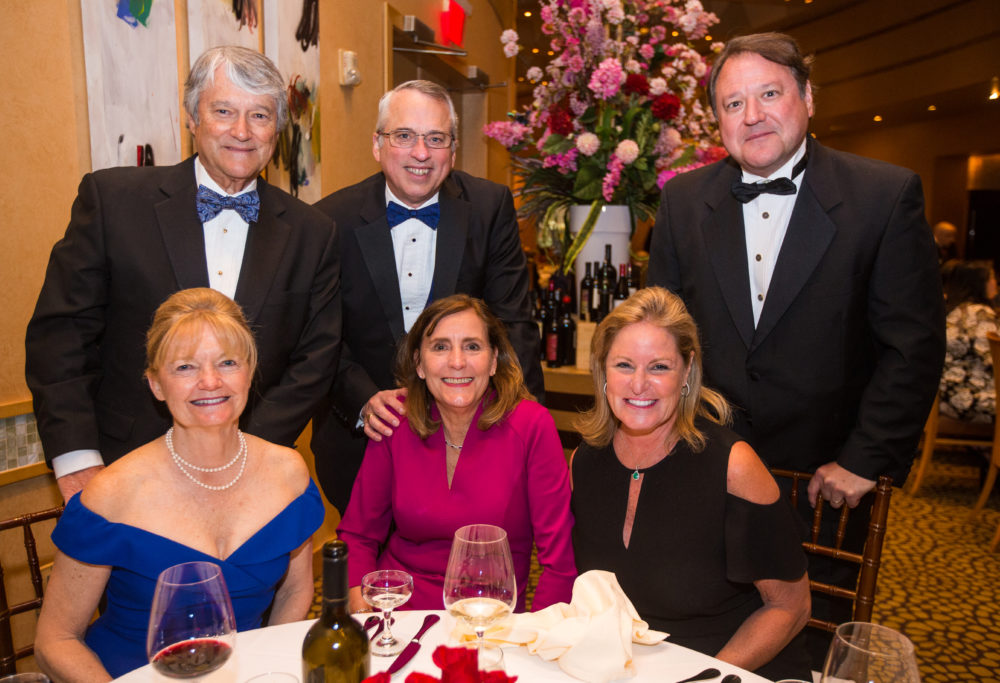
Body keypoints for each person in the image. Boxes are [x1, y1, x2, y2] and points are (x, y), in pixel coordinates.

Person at [647, 32, 945, 660]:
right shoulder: (682, 201)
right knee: (700, 638)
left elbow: (913, 346)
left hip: (825, 485)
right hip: (707, 470)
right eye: (733, 103)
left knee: (809, 649)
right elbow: (663, 337)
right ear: (718, 121)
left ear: (808, 97)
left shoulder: (883, 196)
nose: (752, 115)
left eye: (769, 94)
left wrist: (865, 458)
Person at [25, 45, 340, 502]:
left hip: (254, 478)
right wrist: (77, 460)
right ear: (192, 118)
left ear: (277, 128)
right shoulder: (113, 202)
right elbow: (61, 337)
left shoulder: (314, 232)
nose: (241, 131)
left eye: (259, 115)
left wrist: (245, 453)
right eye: (224, 111)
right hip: (122, 472)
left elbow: (315, 360)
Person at [35, 288, 323, 681]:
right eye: (185, 367)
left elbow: (294, 591)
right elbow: (56, 639)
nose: (210, 381)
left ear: (249, 372)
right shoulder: (113, 492)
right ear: (156, 384)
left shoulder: (289, 472)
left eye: (227, 362)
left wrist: (267, 667)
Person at [311, 80, 543, 516]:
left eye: (436, 139)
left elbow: (513, 324)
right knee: (368, 555)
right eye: (404, 136)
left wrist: (529, 430)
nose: (421, 153)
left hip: (473, 437)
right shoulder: (328, 220)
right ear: (377, 144)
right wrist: (362, 399)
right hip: (362, 442)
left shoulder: (490, 208)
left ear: (453, 151)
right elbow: (320, 337)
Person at [571, 287, 811, 681]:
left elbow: (791, 607)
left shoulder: (732, 465)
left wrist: (710, 676)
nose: (639, 385)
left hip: (731, 667)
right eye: (624, 365)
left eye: (659, 367)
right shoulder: (585, 461)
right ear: (602, 371)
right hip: (633, 670)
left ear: (687, 372)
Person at [337, 294, 575, 612]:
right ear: (419, 364)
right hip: (399, 611)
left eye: (472, 346)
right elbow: (358, 536)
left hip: (489, 618)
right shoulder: (395, 418)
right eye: (440, 347)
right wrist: (364, 616)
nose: (457, 361)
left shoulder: (531, 426)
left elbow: (560, 564)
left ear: (494, 360)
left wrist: (537, 634)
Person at [939, 260, 998, 423]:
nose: (995, 282)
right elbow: (994, 359)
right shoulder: (980, 314)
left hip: (945, 396)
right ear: (979, 283)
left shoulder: (957, 311)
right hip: (969, 398)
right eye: (991, 278)